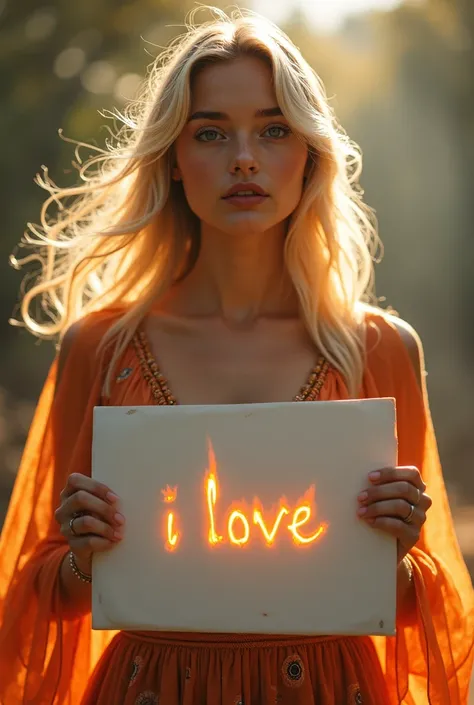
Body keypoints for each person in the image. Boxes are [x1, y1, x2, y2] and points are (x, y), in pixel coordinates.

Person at [0, 6, 472, 704]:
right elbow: (42, 597)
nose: (244, 157)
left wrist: (394, 551)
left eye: (274, 129)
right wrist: (84, 557)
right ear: (175, 160)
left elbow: (417, 608)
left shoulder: (378, 349)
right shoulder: (100, 348)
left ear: (310, 154)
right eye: (211, 132)